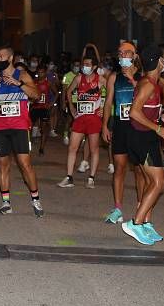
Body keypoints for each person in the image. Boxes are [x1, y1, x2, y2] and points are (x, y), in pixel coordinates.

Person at [122, 45, 164, 245]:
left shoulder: (151, 82)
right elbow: (134, 113)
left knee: (151, 182)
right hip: (143, 137)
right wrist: (158, 129)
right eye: (163, 59)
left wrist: (163, 117)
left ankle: (145, 223)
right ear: (158, 62)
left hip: (143, 136)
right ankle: (136, 222)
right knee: (159, 183)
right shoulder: (148, 84)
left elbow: (147, 110)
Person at [0, 48, 43, 217]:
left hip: (19, 127)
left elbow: (37, 95)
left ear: (10, 58)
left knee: (25, 164)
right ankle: (6, 203)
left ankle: (36, 199)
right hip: (1, 128)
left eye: (2, 56)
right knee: (3, 166)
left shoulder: (22, 75)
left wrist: (20, 85)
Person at [102, 40, 139, 225]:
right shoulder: (114, 77)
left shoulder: (143, 76)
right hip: (120, 126)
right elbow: (108, 102)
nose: (123, 56)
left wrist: (133, 79)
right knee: (119, 168)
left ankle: (142, 208)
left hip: (139, 127)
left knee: (139, 170)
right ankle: (117, 208)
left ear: (135, 56)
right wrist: (105, 126)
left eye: (127, 52)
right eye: (121, 53)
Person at [59, 49, 103, 188]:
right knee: (72, 147)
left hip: (94, 119)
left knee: (94, 149)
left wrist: (103, 107)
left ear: (94, 66)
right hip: (80, 118)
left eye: (88, 64)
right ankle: (69, 177)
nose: (85, 67)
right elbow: (68, 91)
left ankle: (91, 178)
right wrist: (71, 108)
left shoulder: (101, 80)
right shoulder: (79, 78)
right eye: (84, 64)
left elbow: (111, 94)